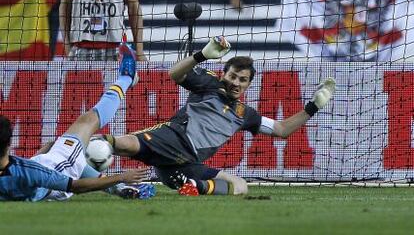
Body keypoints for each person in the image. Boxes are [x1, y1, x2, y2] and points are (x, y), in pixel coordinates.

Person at [101, 36, 336, 196]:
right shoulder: (209, 83)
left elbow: (282, 130)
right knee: (121, 145)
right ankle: (81, 161)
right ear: (224, 74)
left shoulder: (245, 114)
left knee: (241, 185)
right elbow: (174, 74)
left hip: (187, 165)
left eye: (242, 80)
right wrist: (202, 55)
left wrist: (312, 107)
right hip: (172, 139)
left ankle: (197, 186)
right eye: (233, 76)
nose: (236, 83)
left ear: (248, 85)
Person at [0, 43, 153, 201]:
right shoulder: (30, 172)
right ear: (8, 144)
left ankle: (120, 189)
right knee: (88, 120)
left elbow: (29, 170)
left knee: (59, 150)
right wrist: (120, 177)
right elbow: (74, 186)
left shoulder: (24, 172)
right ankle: (127, 77)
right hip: (60, 168)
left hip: (44, 168)